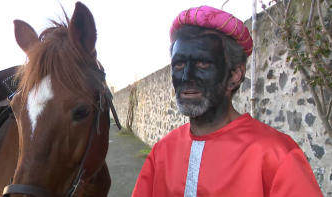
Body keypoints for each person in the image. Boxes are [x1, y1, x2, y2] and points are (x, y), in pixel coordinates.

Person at [131, 5, 324, 197]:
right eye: (179, 64)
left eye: (202, 63)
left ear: (235, 76)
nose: (186, 77)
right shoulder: (161, 153)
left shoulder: (276, 155)